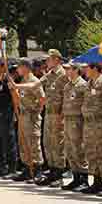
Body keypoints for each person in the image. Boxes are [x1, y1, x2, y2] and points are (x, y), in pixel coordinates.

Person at [81, 62, 102, 196]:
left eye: (87, 68)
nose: (85, 70)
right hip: (89, 125)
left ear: (95, 69)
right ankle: (96, 182)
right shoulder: (89, 83)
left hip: (101, 124)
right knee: (91, 153)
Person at [9, 58, 45, 183]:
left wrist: (36, 112)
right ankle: (27, 168)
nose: (17, 70)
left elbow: (42, 99)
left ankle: (37, 170)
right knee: (23, 142)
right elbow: (20, 100)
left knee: (33, 143)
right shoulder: (23, 81)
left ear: (25, 67)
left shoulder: (34, 81)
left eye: (18, 67)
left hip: (31, 116)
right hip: (22, 116)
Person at [35, 49, 67, 187]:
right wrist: (17, 85)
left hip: (59, 115)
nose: (46, 62)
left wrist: (63, 115)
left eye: (49, 59)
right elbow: (35, 85)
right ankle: (52, 171)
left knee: (58, 144)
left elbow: (68, 97)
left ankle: (59, 174)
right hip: (49, 113)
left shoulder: (64, 75)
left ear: (57, 60)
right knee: (48, 143)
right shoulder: (49, 75)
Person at [61, 62, 89, 192]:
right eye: (66, 69)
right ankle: (76, 177)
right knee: (69, 149)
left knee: (79, 148)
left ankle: (83, 179)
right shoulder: (67, 86)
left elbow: (87, 103)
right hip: (67, 119)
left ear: (77, 70)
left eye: (70, 69)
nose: (67, 71)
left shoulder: (83, 85)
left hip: (78, 120)